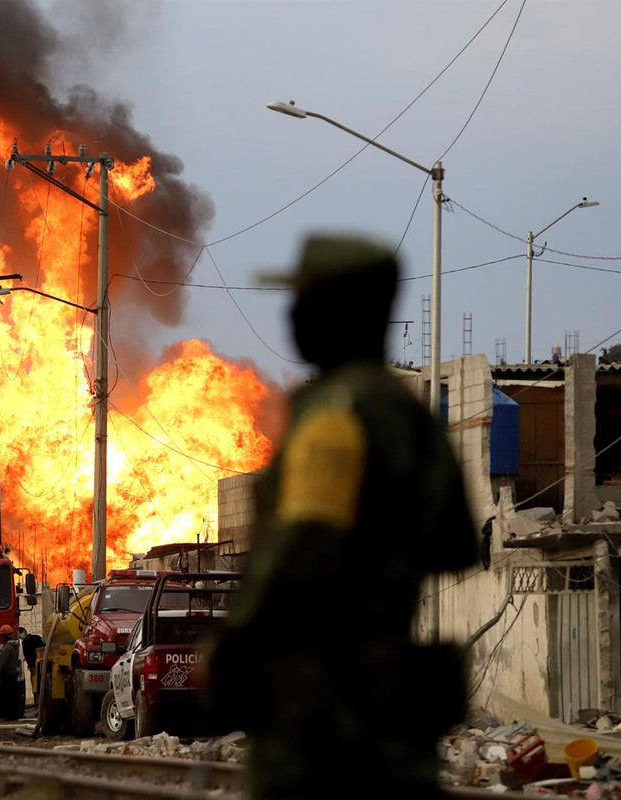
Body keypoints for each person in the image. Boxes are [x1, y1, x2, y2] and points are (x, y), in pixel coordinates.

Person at [206, 233, 479, 799]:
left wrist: (236, 644)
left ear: (333, 314)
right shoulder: (410, 417)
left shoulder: (332, 414)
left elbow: (303, 545)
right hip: (394, 712)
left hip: (319, 723)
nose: (292, 315)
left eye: (303, 301)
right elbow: (454, 546)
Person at [0, 624, 21, 719]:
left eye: (2, 636)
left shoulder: (7, 648)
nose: (1, 638)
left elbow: (4, 662)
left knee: (7, 697)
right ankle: (14, 715)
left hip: (7, 675)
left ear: (5, 636)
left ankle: (9, 716)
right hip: (13, 674)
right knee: (13, 696)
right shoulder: (15, 647)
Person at [19, 627, 44, 705]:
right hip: (32, 667)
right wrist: (30, 666)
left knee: (42, 685)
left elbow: (44, 648)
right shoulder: (23, 644)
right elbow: (26, 656)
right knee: (35, 686)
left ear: (25, 631)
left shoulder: (36, 638)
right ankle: (37, 704)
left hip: (41, 665)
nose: (21, 636)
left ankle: (42, 703)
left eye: (21, 633)